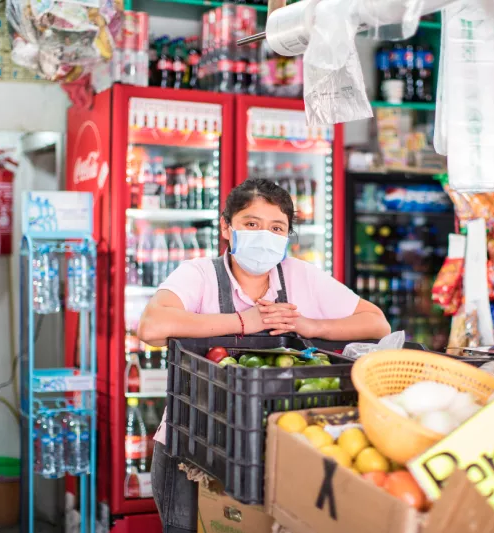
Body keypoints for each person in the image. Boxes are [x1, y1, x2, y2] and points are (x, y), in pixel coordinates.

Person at [138, 178, 390, 532]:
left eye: (276, 228)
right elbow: (150, 327)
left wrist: (309, 325)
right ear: (227, 227)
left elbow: (376, 323)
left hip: (277, 448)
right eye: (251, 224)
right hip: (193, 445)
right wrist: (245, 320)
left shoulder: (301, 275)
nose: (264, 235)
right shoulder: (199, 274)